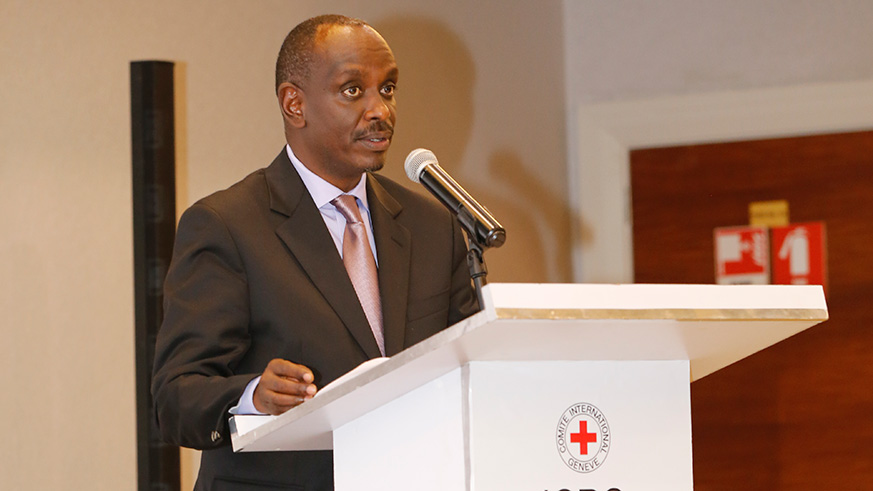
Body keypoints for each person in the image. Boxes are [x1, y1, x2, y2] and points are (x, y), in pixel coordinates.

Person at [151, 14, 479, 490]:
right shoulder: (228, 225)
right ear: (294, 104)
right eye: (353, 90)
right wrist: (252, 396)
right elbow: (175, 397)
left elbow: (465, 367)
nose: (380, 111)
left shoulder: (434, 226)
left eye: (387, 89)